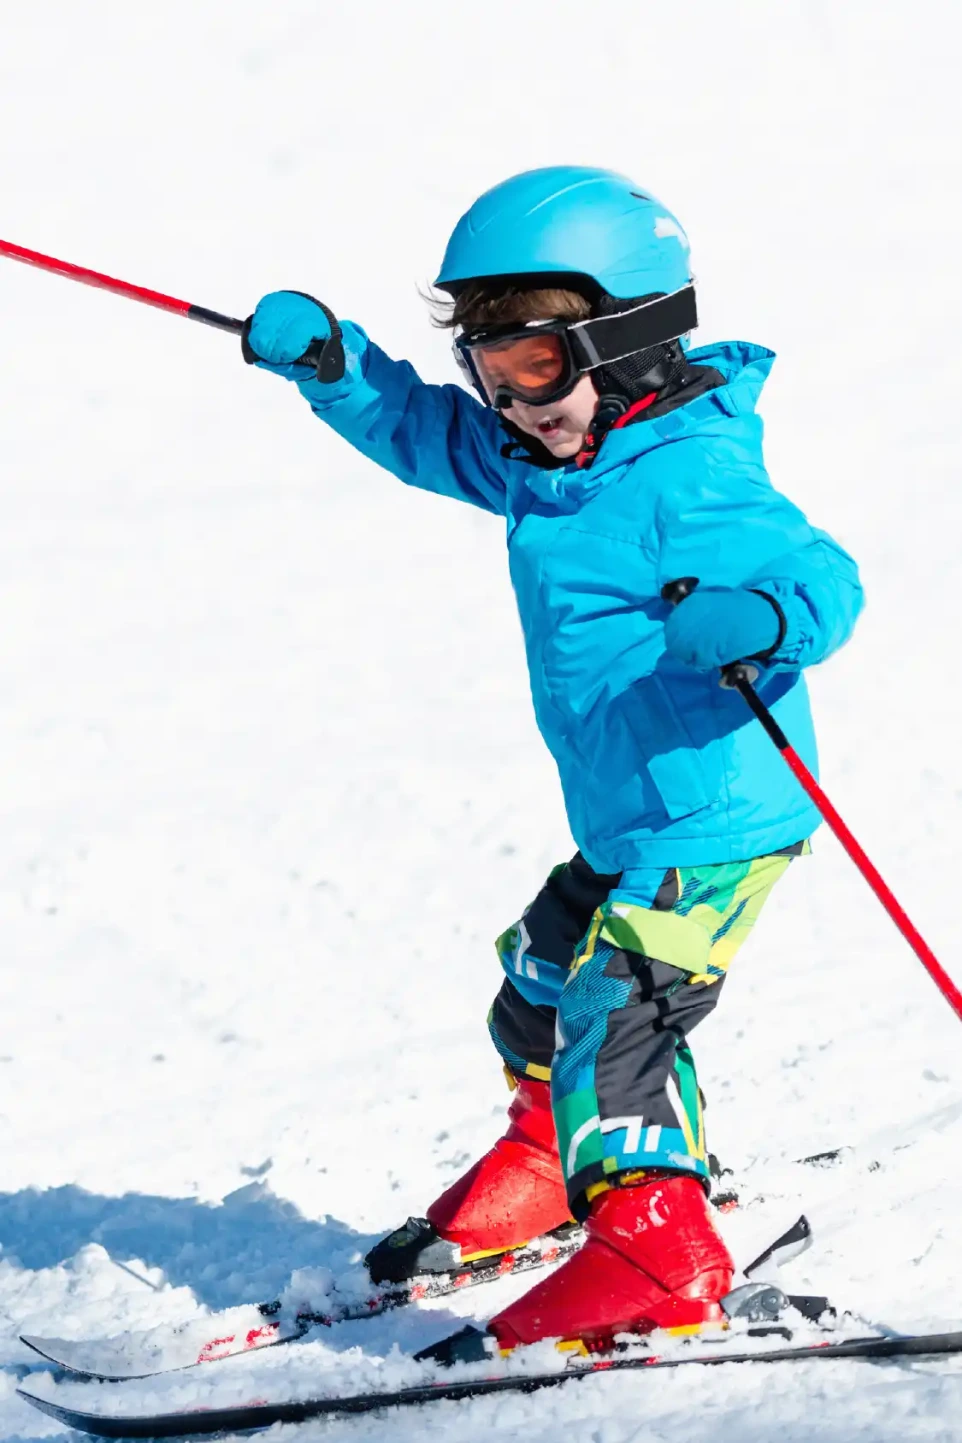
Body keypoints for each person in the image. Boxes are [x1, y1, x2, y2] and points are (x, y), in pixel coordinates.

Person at [242, 167, 863, 1354]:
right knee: (534, 988)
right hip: (628, 814)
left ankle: (656, 1257)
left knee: (612, 1015)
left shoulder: (690, 475)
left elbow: (821, 578)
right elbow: (426, 435)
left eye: (532, 366)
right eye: (491, 371)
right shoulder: (549, 464)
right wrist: (337, 370)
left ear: (628, 341)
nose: (512, 404)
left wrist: (765, 619)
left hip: (715, 822)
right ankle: (544, 1163)